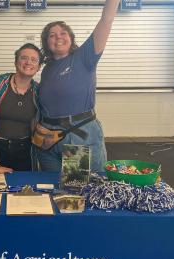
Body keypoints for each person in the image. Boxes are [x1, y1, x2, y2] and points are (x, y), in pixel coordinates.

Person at [36, 0, 120, 172]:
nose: (58, 37)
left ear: (71, 38)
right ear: (46, 43)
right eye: (52, 35)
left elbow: (106, 19)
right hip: (48, 142)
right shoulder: (47, 69)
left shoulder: (84, 57)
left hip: (76, 138)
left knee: (80, 190)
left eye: (63, 33)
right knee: (52, 189)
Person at [0, 43, 43, 171]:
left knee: (22, 189)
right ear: (15, 62)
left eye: (34, 60)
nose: (28, 62)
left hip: (24, 151)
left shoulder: (39, 91)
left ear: (39, 67)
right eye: (24, 58)